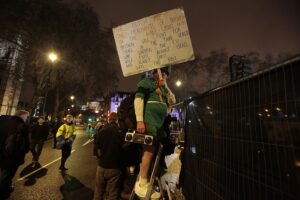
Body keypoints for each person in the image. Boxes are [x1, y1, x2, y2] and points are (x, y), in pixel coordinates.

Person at [134, 66, 176, 198]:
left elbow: (172, 101)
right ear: (154, 73)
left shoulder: (164, 87)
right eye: (159, 72)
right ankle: (142, 183)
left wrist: (166, 87)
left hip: (160, 125)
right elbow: (138, 99)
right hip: (149, 122)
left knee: (156, 154)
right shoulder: (146, 82)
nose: (161, 75)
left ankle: (149, 182)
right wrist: (140, 120)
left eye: (164, 73)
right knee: (148, 152)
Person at [93, 112, 124, 200]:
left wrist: (101, 158)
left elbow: (96, 150)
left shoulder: (101, 132)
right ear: (117, 120)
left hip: (102, 166)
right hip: (115, 167)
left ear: (108, 119)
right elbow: (124, 149)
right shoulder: (120, 134)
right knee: (113, 193)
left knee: (98, 192)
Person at [0, 110, 30, 199]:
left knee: (4, 173)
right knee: (7, 176)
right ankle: (3, 193)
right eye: (26, 117)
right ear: (23, 116)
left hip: (1, 153)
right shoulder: (21, 126)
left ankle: (7, 188)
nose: (27, 119)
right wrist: (25, 150)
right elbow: (22, 143)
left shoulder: (3, 122)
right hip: (11, 157)